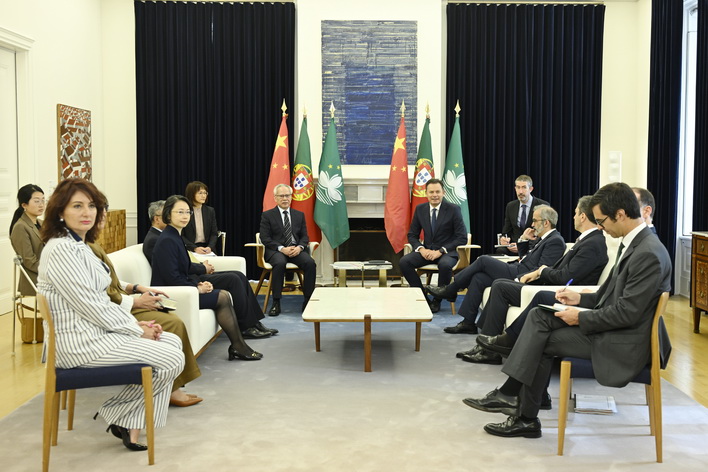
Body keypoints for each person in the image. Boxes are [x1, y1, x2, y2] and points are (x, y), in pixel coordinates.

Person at [463, 182, 672, 439]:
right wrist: (578, 299)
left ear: (620, 214)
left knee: (540, 337)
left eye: (601, 221)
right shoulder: (636, 245)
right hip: (616, 331)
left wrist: (580, 316)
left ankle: (522, 412)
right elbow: (608, 296)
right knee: (539, 315)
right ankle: (519, 405)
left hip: (625, 343)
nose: (600, 227)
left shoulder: (647, 253)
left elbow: (626, 313)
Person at [37, 178, 185, 451]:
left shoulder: (78, 245)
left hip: (94, 334)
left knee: (173, 342)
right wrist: (137, 329)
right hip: (78, 345)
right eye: (77, 206)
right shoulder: (60, 250)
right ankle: (119, 416)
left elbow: (102, 299)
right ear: (60, 211)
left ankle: (127, 422)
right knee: (172, 358)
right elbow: (93, 306)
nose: (87, 213)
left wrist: (136, 323)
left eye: (92, 206)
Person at [462, 196, 608, 365]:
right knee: (500, 286)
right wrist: (539, 271)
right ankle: (486, 348)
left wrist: (541, 271)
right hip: (550, 286)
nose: (573, 217)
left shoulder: (592, 243)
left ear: (582, 216)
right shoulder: (586, 240)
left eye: (575, 213)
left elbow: (565, 277)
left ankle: (491, 350)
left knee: (499, 284)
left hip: (563, 293)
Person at [90, 208, 202, 407]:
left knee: (169, 315)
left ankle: (171, 385)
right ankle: (171, 388)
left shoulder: (91, 244)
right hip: (113, 308)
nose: (101, 221)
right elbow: (96, 297)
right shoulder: (79, 249)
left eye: (102, 216)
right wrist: (136, 301)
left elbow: (110, 281)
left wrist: (135, 287)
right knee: (172, 323)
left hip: (120, 300)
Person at [151, 194, 263, 360]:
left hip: (183, 289)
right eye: (180, 212)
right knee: (222, 296)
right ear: (168, 214)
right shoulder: (167, 239)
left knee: (225, 290)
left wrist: (200, 283)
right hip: (171, 296)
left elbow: (185, 267)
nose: (185, 216)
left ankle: (239, 344)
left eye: (187, 212)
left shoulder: (174, 235)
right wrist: (198, 288)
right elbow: (172, 278)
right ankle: (238, 345)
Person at [427, 205, 565, 334]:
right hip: (517, 268)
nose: (532, 225)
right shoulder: (543, 238)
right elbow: (526, 258)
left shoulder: (555, 241)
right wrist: (523, 239)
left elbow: (541, 269)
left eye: (535, 220)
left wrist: (519, 278)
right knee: (479, 278)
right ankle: (468, 323)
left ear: (546, 223)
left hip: (521, 275)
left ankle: (451, 289)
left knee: (483, 260)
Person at [399, 178, 467, 313]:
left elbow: (462, 237)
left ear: (443, 193)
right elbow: (412, 235)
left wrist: (441, 251)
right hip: (427, 252)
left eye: (437, 192)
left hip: (447, 253)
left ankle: (437, 300)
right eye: (431, 192)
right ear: (426, 193)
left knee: (445, 265)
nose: (434, 195)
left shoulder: (453, 209)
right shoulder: (420, 209)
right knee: (404, 262)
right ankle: (423, 297)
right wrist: (421, 249)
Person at [259, 183, 317, 316]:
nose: (285, 198)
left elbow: (304, 236)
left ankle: (308, 301)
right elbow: (265, 238)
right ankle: (276, 302)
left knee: (310, 263)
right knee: (280, 263)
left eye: (287, 195)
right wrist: (281, 248)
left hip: (295, 250)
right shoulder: (267, 215)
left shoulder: (299, 215)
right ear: (275, 198)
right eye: (281, 196)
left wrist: (300, 247)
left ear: (291, 197)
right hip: (276, 251)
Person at [497, 175, 549, 255]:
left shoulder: (542, 205)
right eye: (518, 187)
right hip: (513, 246)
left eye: (524, 187)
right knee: (500, 251)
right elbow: (506, 230)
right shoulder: (511, 206)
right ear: (515, 188)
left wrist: (522, 246)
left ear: (531, 189)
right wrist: (503, 239)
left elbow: (544, 234)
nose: (520, 191)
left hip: (532, 246)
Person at [10, 184, 46, 296]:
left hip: (46, 272)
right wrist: (53, 271)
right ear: (24, 205)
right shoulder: (20, 227)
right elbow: (29, 261)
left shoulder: (41, 223)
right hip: (36, 277)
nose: (41, 205)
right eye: (36, 201)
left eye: (43, 200)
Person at [181, 181, 219, 255]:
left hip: (207, 249)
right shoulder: (185, 211)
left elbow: (214, 233)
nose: (203, 196)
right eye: (200, 193)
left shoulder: (210, 211)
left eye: (205, 193)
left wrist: (210, 247)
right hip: (190, 249)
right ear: (192, 194)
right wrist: (194, 248)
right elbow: (181, 235)